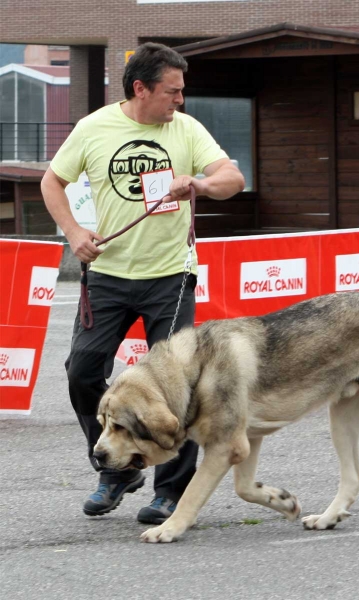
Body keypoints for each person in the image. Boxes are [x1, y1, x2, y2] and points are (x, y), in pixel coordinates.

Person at [41, 42, 245, 524]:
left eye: (181, 91)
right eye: (172, 91)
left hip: (170, 277)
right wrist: (74, 233)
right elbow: (52, 182)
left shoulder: (187, 129)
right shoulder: (93, 128)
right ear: (141, 88)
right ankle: (116, 469)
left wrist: (199, 183)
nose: (180, 100)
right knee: (82, 371)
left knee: (181, 386)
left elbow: (231, 177)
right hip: (108, 276)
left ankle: (170, 492)